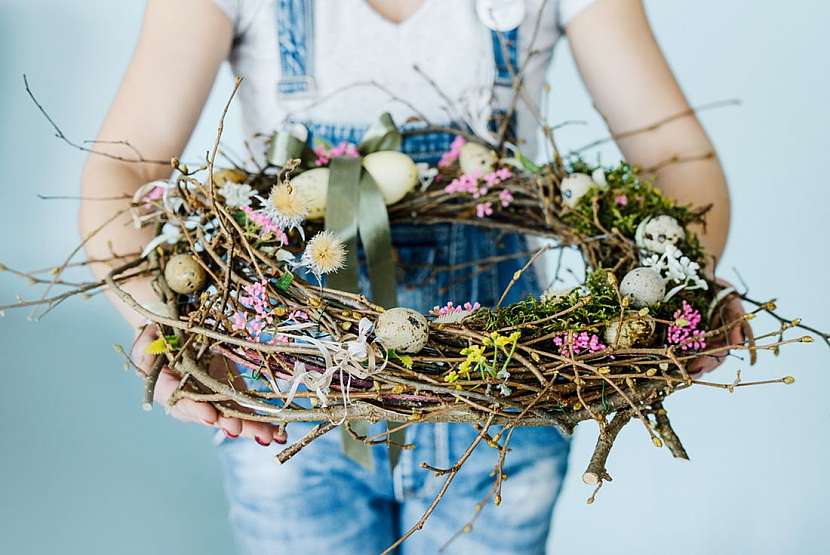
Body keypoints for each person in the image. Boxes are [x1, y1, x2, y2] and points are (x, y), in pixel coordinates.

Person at [79, 0, 747, 553]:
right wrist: (160, 322)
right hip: (290, 404)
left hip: (510, 396)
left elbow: (673, 157)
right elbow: (124, 172)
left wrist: (677, 290)